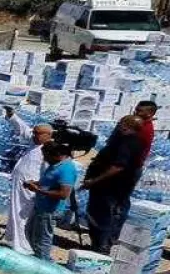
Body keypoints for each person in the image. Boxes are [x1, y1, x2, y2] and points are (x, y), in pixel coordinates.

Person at [80, 112, 145, 253]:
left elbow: (117, 166)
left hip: (108, 187)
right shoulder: (132, 141)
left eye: (120, 123)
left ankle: (100, 247)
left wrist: (94, 180)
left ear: (125, 126)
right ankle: (101, 245)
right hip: (115, 187)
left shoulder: (127, 143)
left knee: (102, 216)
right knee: (107, 215)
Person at [23, 141, 77, 261]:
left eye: (46, 156)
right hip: (41, 207)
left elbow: (64, 194)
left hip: (50, 210)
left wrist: (38, 190)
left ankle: (44, 263)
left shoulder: (66, 169)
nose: (44, 159)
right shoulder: (55, 165)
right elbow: (48, 183)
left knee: (42, 240)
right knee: (31, 234)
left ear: (56, 155)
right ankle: (38, 259)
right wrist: (34, 183)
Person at [5, 124, 54, 252]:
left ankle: (22, 246)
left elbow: (49, 171)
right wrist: (12, 116)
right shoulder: (35, 143)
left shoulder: (49, 149)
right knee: (15, 212)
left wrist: (38, 184)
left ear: (48, 135)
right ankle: (14, 241)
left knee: (23, 214)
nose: (34, 136)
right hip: (20, 184)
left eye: (38, 134)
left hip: (30, 187)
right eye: (34, 133)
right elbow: (24, 130)